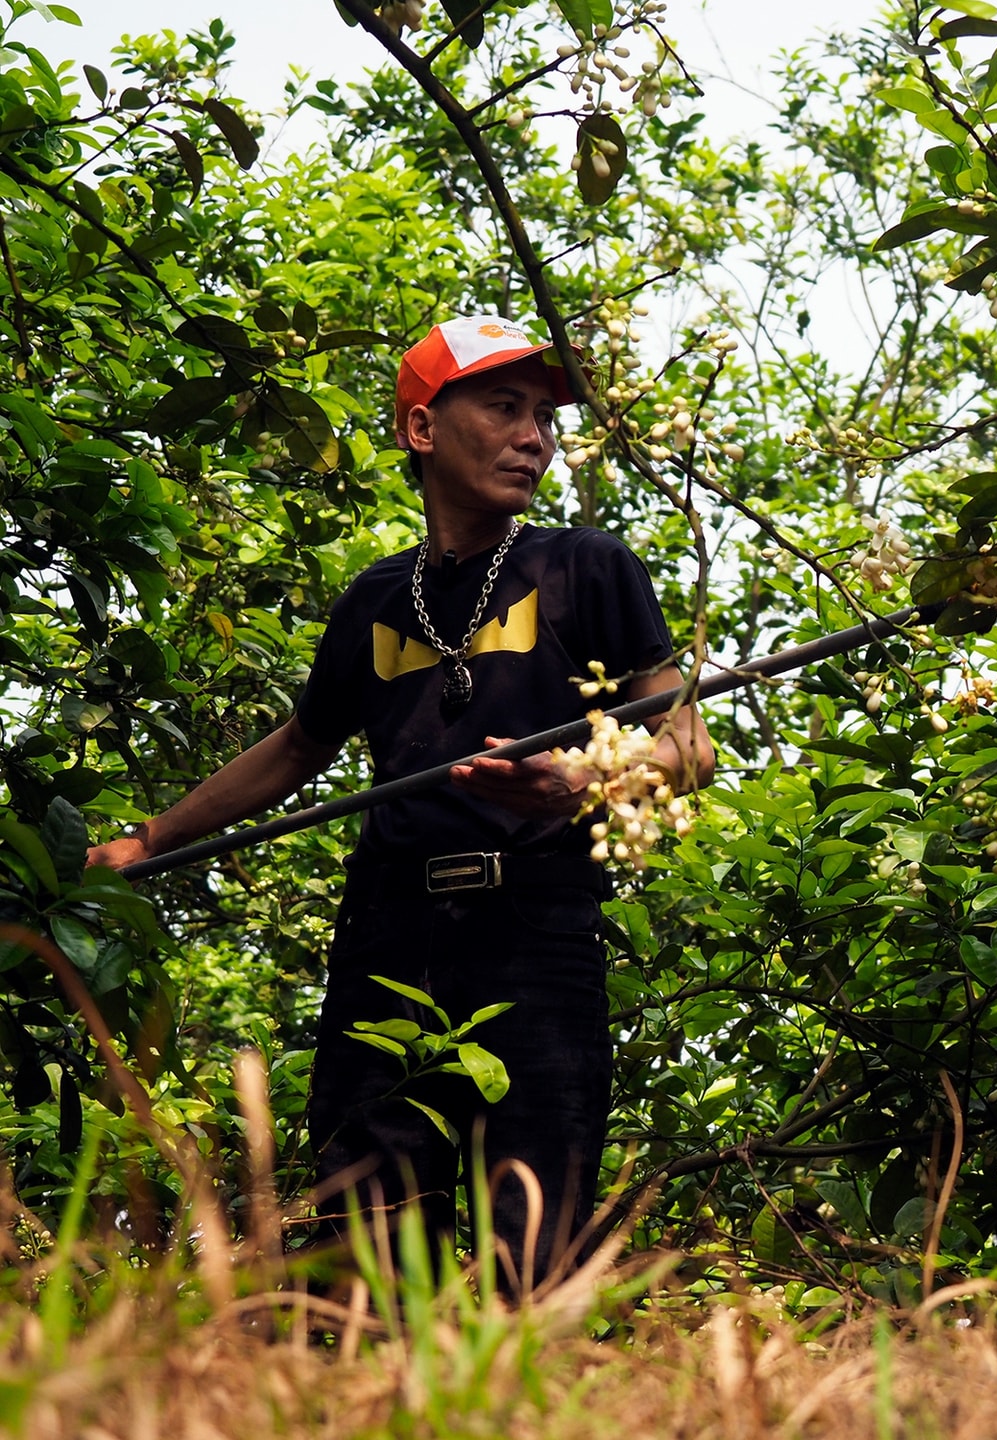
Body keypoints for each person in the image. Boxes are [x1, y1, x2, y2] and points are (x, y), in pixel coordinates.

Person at [89, 314, 714, 1289]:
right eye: (504, 407)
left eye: (544, 415)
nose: (535, 435)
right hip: (388, 936)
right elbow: (299, 746)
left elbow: (687, 744)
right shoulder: (376, 602)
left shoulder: (587, 569)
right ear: (423, 430)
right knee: (360, 1248)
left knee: (532, 1246)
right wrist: (147, 839)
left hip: (537, 929)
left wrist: (584, 779)